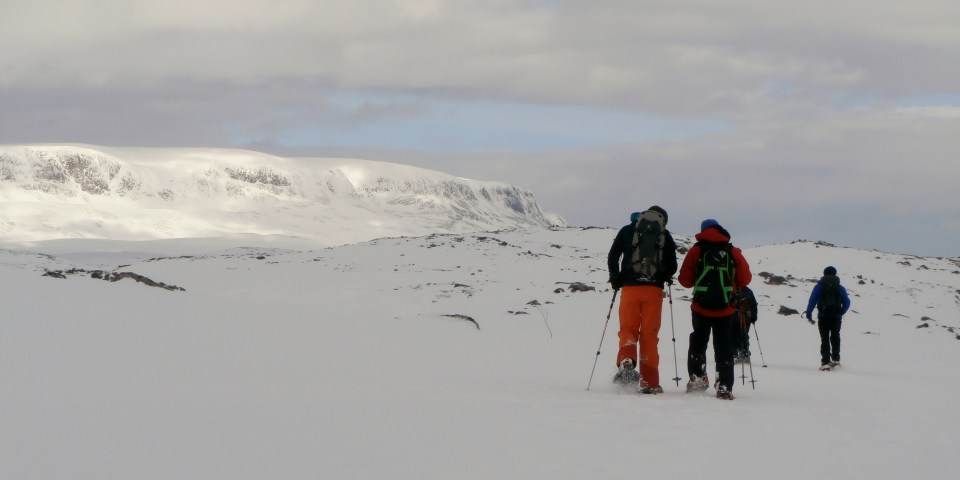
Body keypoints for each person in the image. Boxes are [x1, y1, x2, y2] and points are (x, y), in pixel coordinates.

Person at [678, 219, 752, 400]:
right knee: (724, 346)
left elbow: (685, 281)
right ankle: (724, 386)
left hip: (700, 308)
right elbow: (746, 279)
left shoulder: (696, 250)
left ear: (703, 231)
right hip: (726, 310)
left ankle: (697, 378)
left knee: (698, 342)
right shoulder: (732, 251)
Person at [607, 205, 678, 394]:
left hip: (630, 288)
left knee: (628, 328)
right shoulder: (665, 234)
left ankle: (627, 360)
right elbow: (672, 265)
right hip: (653, 291)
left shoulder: (628, 230)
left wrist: (616, 278)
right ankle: (650, 383)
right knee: (649, 335)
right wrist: (662, 276)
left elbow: (613, 256)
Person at [803, 266, 851, 370]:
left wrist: (808, 313)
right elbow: (847, 302)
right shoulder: (840, 287)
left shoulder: (819, 286)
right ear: (835, 274)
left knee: (824, 338)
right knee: (835, 337)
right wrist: (841, 312)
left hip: (823, 316)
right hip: (836, 317)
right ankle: (836, 360)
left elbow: (812, 300)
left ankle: (825, 362)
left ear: (824, 274)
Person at [732, 286, 758, 363]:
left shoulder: (732, 289)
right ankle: (744, 353)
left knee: (734, 334)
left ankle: (736, 353)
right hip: (745, 317)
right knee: (743, 334)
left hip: (734, 317)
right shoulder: (748, 291)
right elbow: (754, 305)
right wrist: (753, 316)